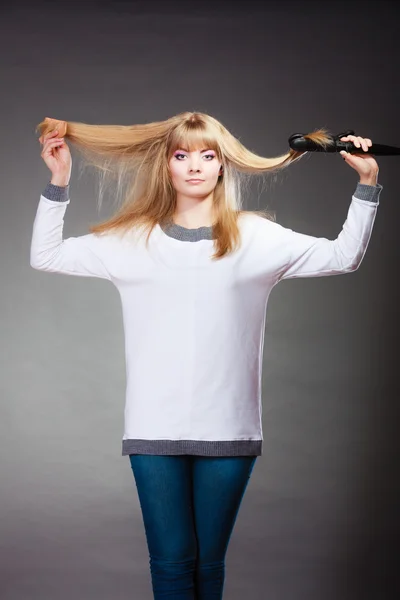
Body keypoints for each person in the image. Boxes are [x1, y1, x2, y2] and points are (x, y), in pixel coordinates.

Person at [31, 112, 382, 600]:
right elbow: (45, 255)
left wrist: (367, 183)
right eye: (181, 155)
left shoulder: (257, 237)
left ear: (223, 166)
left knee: (208, 565)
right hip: (154, 428)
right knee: (172, 565)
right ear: (166, 166)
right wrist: (60, 180)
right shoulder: (132, 239)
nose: (194, 166)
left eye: (207, 154)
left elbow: (344, 256)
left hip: (230, 428)